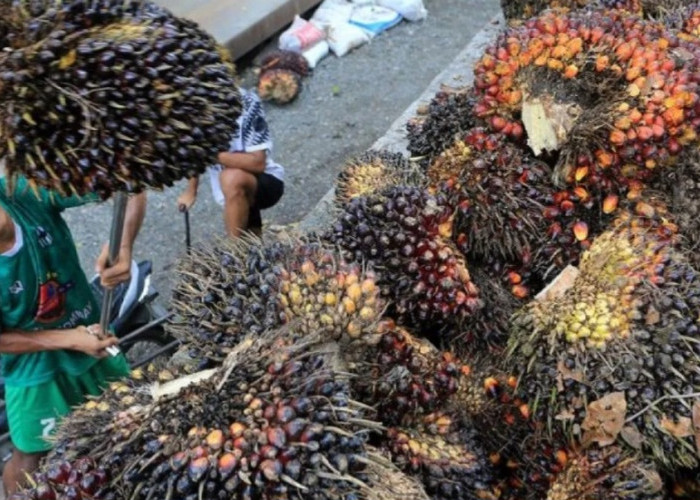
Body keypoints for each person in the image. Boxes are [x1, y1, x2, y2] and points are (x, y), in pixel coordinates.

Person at [0, 174, 146, 494]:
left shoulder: (25, 191)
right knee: (32, 455)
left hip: (93, 338)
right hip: (33, 371)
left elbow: (131, 182)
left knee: (134, 417)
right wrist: (68, 339)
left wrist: (123, 244)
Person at [177, 88, 285, 237]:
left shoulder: (246, 101)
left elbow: (257, 163)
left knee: (231, 177)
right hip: (231, 192)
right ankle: (253, 245)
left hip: (265, 181)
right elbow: (194, 148)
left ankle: (233, 251)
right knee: (252, 244)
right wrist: (191, 190)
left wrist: (210, 154)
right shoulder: (192, 107)